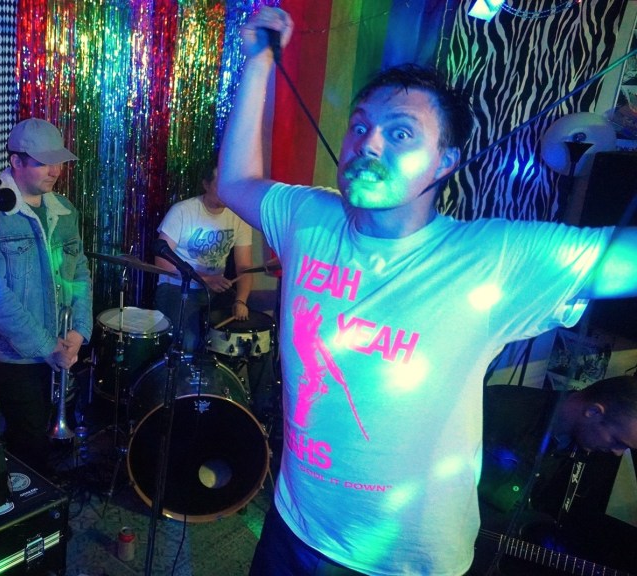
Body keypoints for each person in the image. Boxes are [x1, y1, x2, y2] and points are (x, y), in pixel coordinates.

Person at [217, 7, 637, 575]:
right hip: (295, 528)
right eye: (360, 126)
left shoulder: (492, 257)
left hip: (405, 561)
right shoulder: (309, 216)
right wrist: (259, 61)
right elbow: (236, 182)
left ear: (445, 163)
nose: (368, 144)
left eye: (400, 133)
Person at [0, 118, 92, 477]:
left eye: (58, 161)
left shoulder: (64, 210)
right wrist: (47, 346)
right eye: (45, 162)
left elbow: (79, 273)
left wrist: (78, 331)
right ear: (16, 161)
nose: (56, 171)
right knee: (28, 442)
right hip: (14, 354)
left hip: (61, 345)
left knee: (52, 440)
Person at [474, 378, 637, 575]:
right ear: (593, 411)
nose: (618, 453)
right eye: (618, 441)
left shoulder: (586, 449)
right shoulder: (499, 407)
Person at [153, 154, 254, 353]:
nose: (226, 192)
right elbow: (161, 261)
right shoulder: (183, 211)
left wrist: (241, 300)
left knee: (243, 338)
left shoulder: (239, 216)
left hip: (215, 290)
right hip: (178, 287)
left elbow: (245, 267)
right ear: (206, 185)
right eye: (220, 185)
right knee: (190, 341)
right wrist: (205, 279)